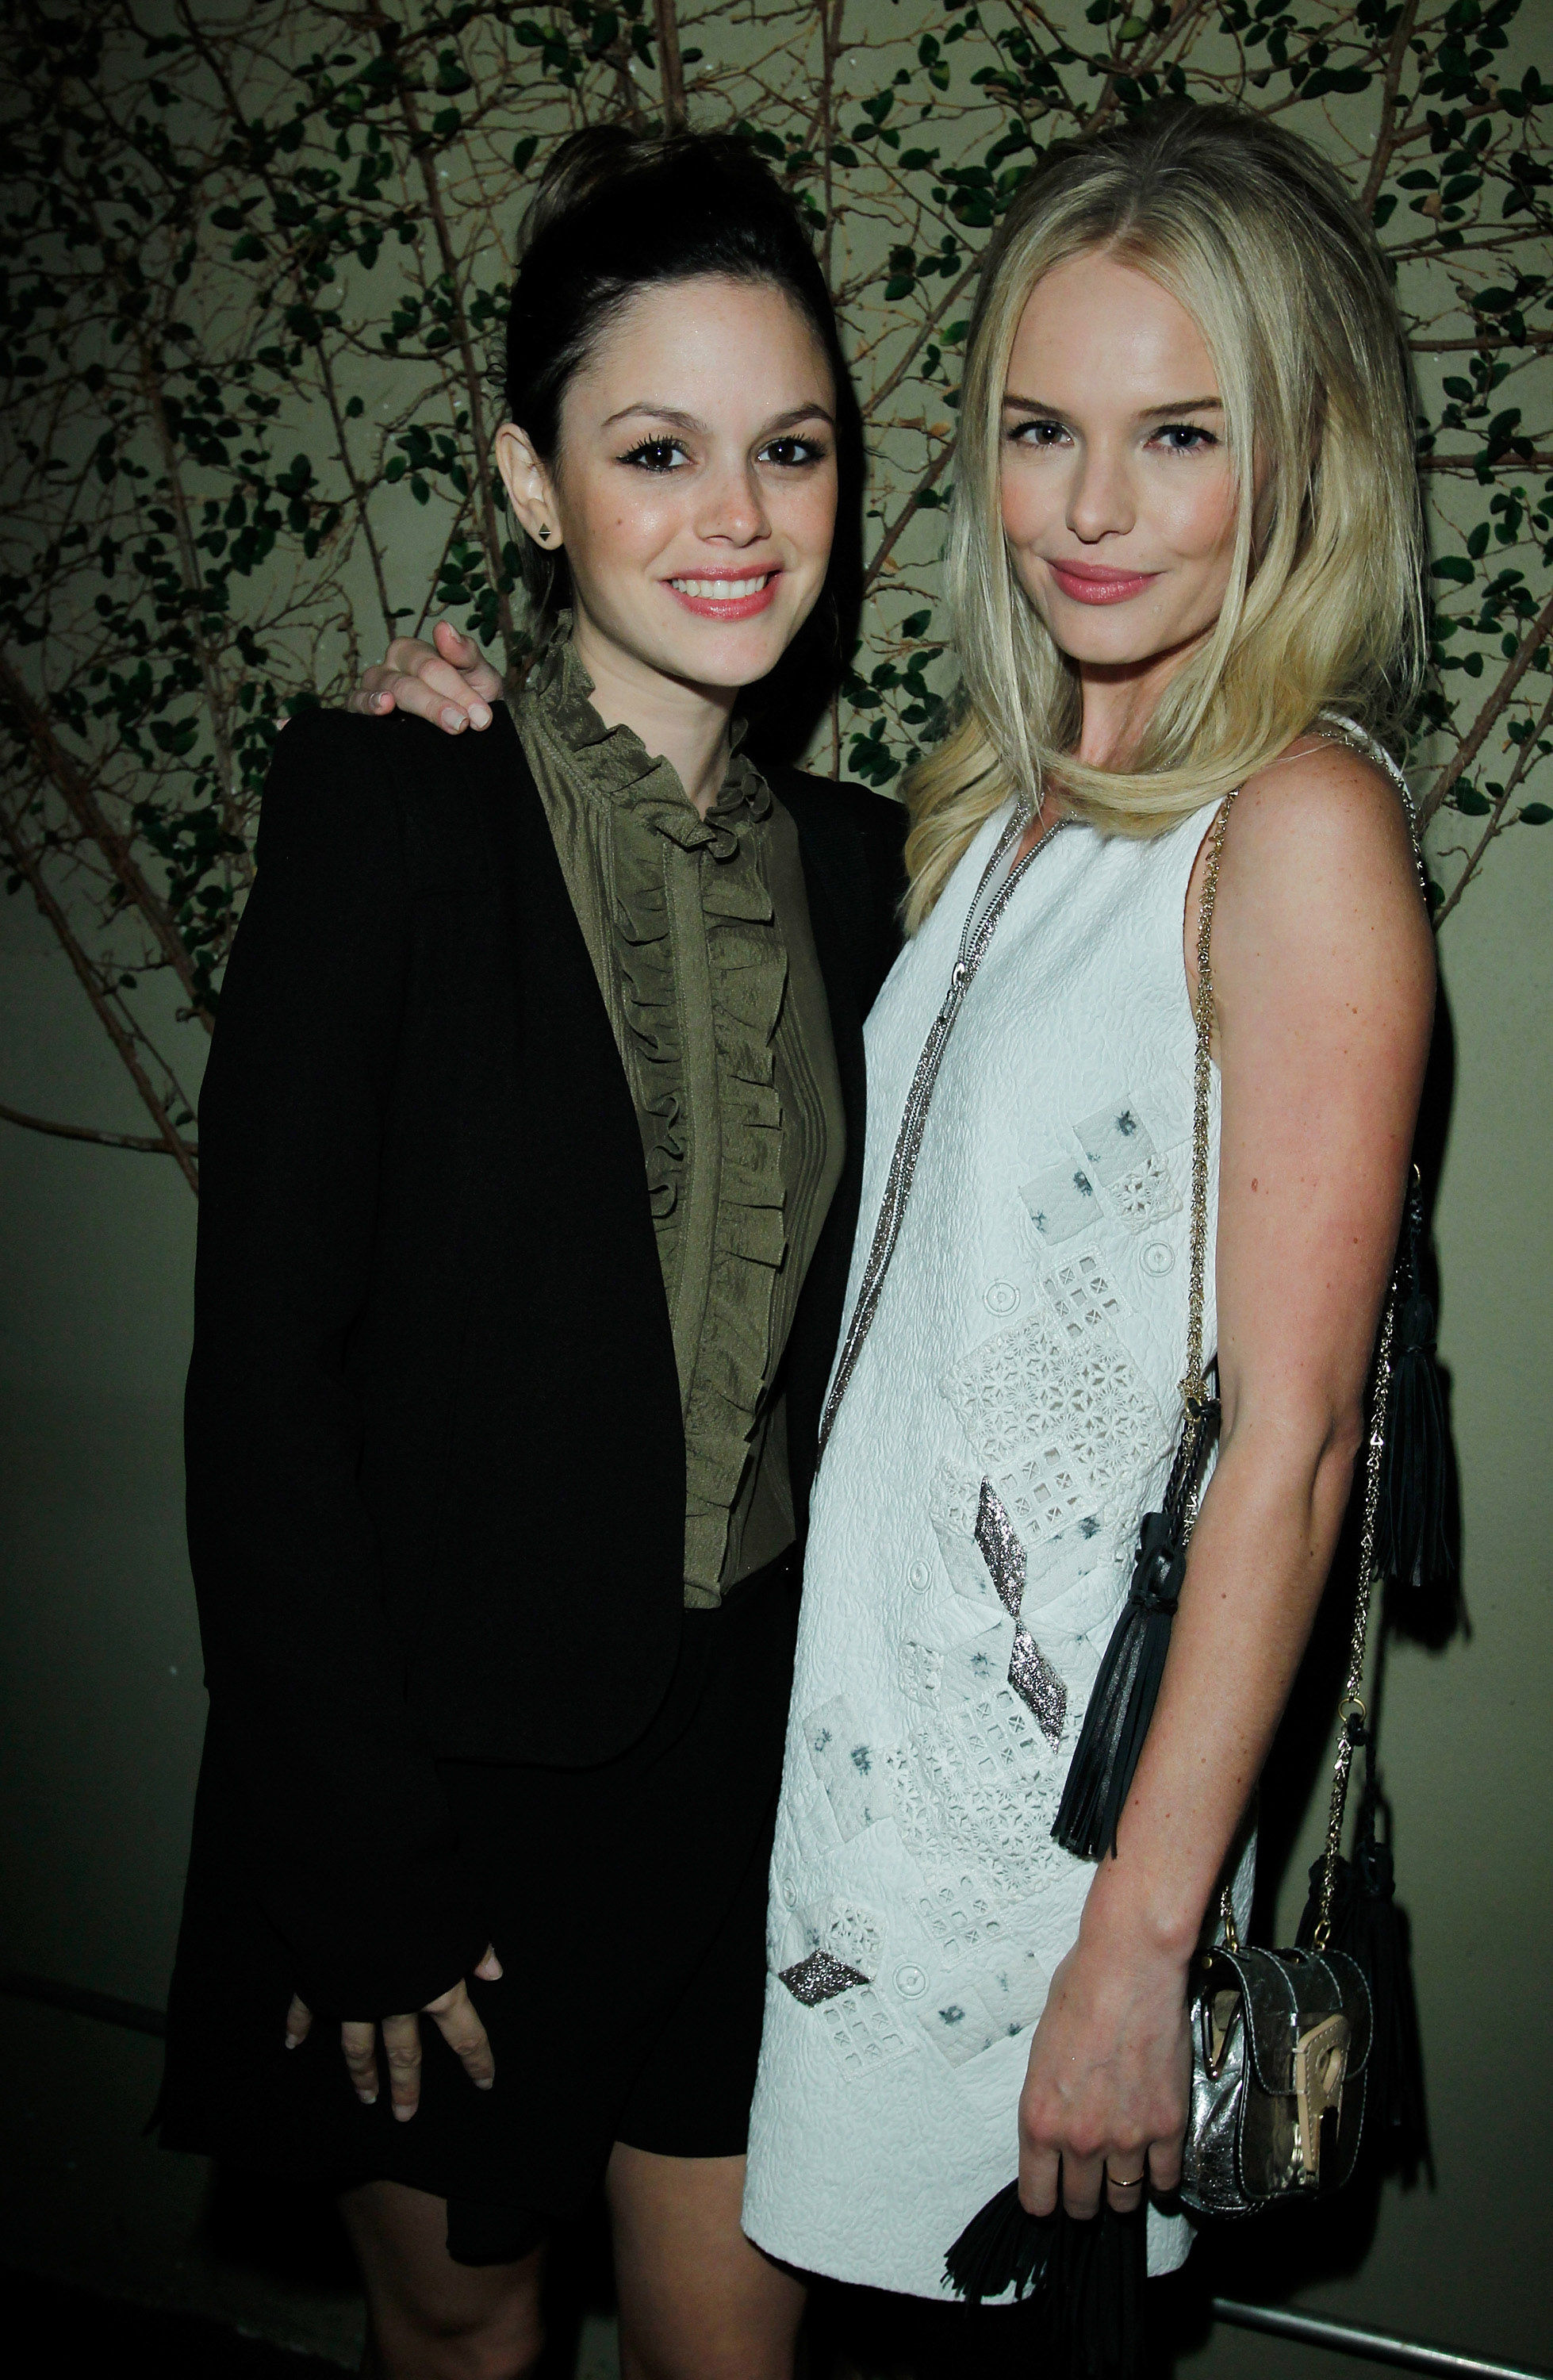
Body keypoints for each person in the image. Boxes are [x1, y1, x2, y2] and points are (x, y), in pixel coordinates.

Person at [160, 129, 905, 2380]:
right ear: (528, 478)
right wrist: (351, 1868)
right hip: (443, 1791)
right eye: (656, 451)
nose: (737, 515)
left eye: (790, 449)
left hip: (757, 1775)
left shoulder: (874, 873)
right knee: (467, 2339)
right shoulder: (389, 807)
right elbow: (264, 1381)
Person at [729, 99, 1436, 2346]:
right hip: (870, 1810)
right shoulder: (1014, 803)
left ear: (1300, 458)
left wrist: (1137, 1949)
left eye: (1177, 434)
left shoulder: (1297, 821)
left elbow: (1292, 1451)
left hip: (1047, 1886)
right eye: (1042, 430)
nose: (1091, 506)